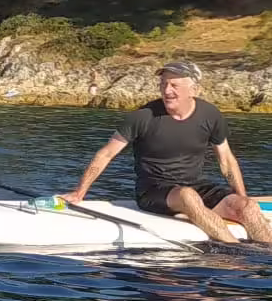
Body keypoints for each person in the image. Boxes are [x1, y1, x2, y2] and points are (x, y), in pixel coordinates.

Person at [65, 60, 271, 246]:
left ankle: (266, 255)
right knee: (187, 196)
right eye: (163, 84)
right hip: (153, 191)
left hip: (195, 186)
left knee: (246, 206)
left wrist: (241, 197)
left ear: (194, 90)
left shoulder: (210, 115)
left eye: (174, 85)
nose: (167, 90)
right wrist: (79, 192)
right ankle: (236, 251)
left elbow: (226, 160)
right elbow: (106, 154)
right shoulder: (143, 117)